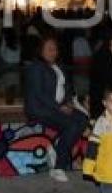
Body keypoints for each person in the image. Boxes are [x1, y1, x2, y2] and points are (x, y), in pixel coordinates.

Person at [24, 35, 89, 183]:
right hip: (41, 109)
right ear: (40, 51)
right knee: (72, 125)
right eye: (49, 49)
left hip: (58, 107)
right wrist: (60, 107)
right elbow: (39, 94)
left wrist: (68, 102)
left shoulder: (57, 66)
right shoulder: (36, 67)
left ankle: (58, 148)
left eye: (55, 49)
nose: (54, 52)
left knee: (83, 119)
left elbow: (66, 87)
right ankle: (58, 167)